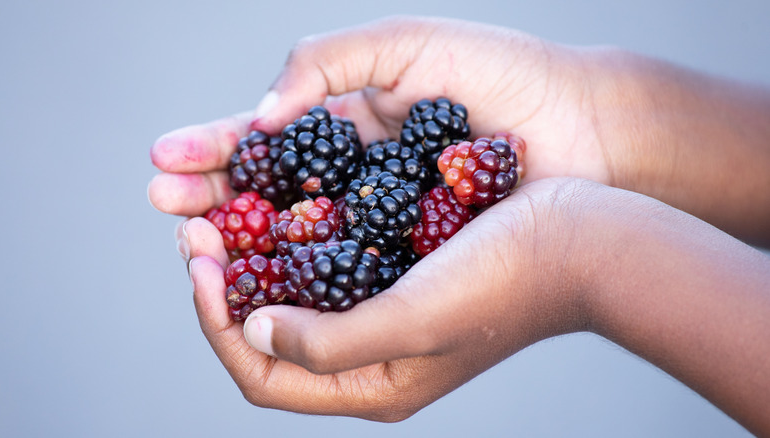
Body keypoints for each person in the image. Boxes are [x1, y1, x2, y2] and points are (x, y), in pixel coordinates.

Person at [146, 16, 770, 435]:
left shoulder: (394, 196)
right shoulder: (371, 199)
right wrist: (594, 111)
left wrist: (574, 255)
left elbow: (551, 240)